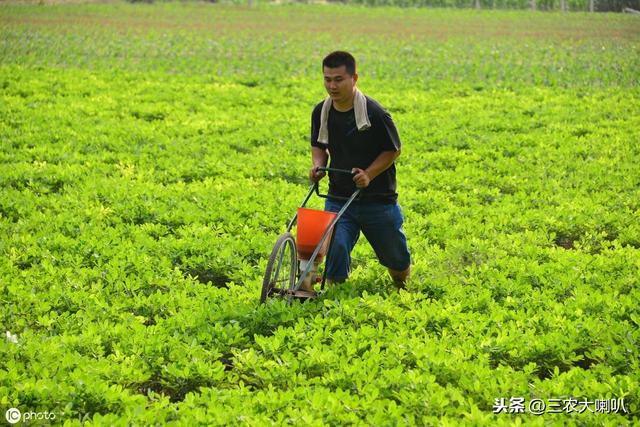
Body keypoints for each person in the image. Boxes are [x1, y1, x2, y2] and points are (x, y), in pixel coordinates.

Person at [306, 50, 411, 291]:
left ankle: (403, 287)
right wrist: (317, 165)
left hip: (378, 199)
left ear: (354, 79)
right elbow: (319, 145)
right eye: (327, 79)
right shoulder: (321, 111)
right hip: (339, 195)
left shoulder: (375, 113)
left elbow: (392, 150)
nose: (332, 86)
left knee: (395, 256)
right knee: (335, 246)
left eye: (338, 79)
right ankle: (333, 292)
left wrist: (369, 174)